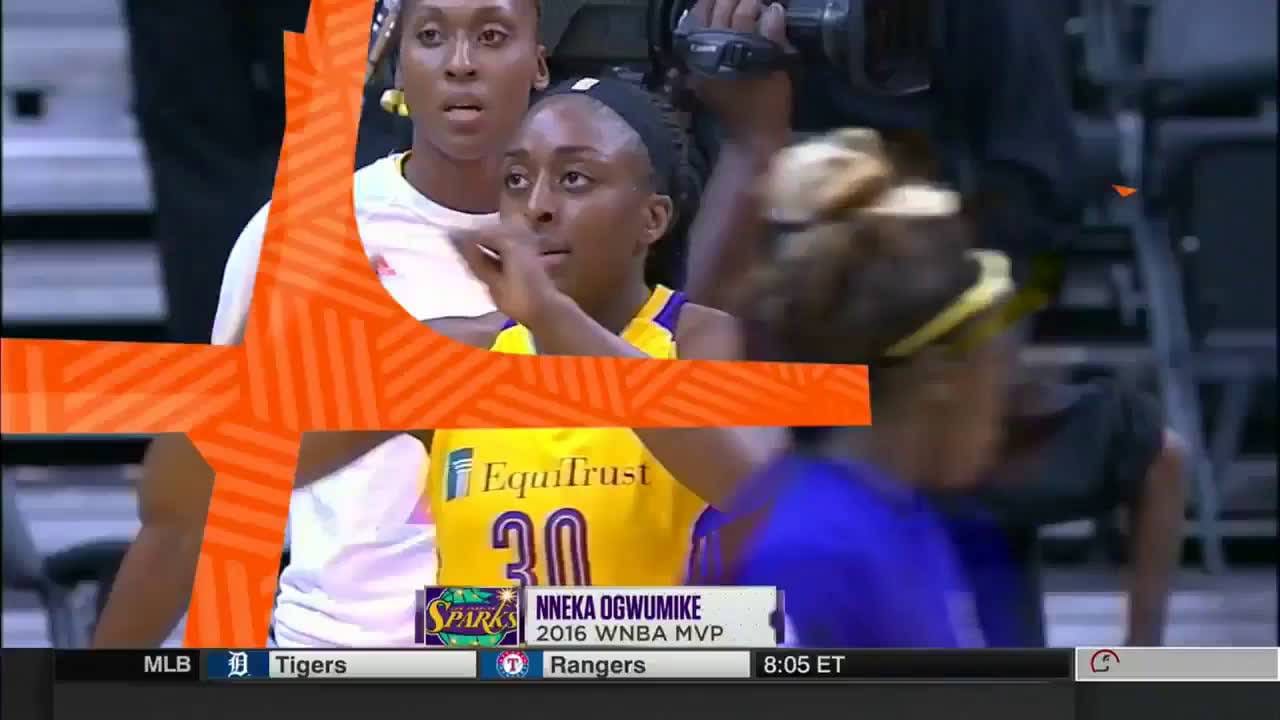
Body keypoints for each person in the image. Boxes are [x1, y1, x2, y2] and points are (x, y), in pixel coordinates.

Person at [95, 0, 789, 647]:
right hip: (361, 648)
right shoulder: (419, 319)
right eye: (431, 36)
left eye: (491, 36)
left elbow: (765, 509)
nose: (462, 63)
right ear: (395, 61)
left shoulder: (676, 319)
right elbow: (199, 491)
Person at [684, 0, 1184, 647]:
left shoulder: (913, 508)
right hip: (806, 369)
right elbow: (694, 337)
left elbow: (1034, 195)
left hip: (929, 310)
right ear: (945, 384)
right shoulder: (808, 547)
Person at [698, 129, 1016, 647]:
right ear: (939, 375)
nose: (1005, 402)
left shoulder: (905, 515)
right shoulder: (808, 551)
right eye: (994, 367)